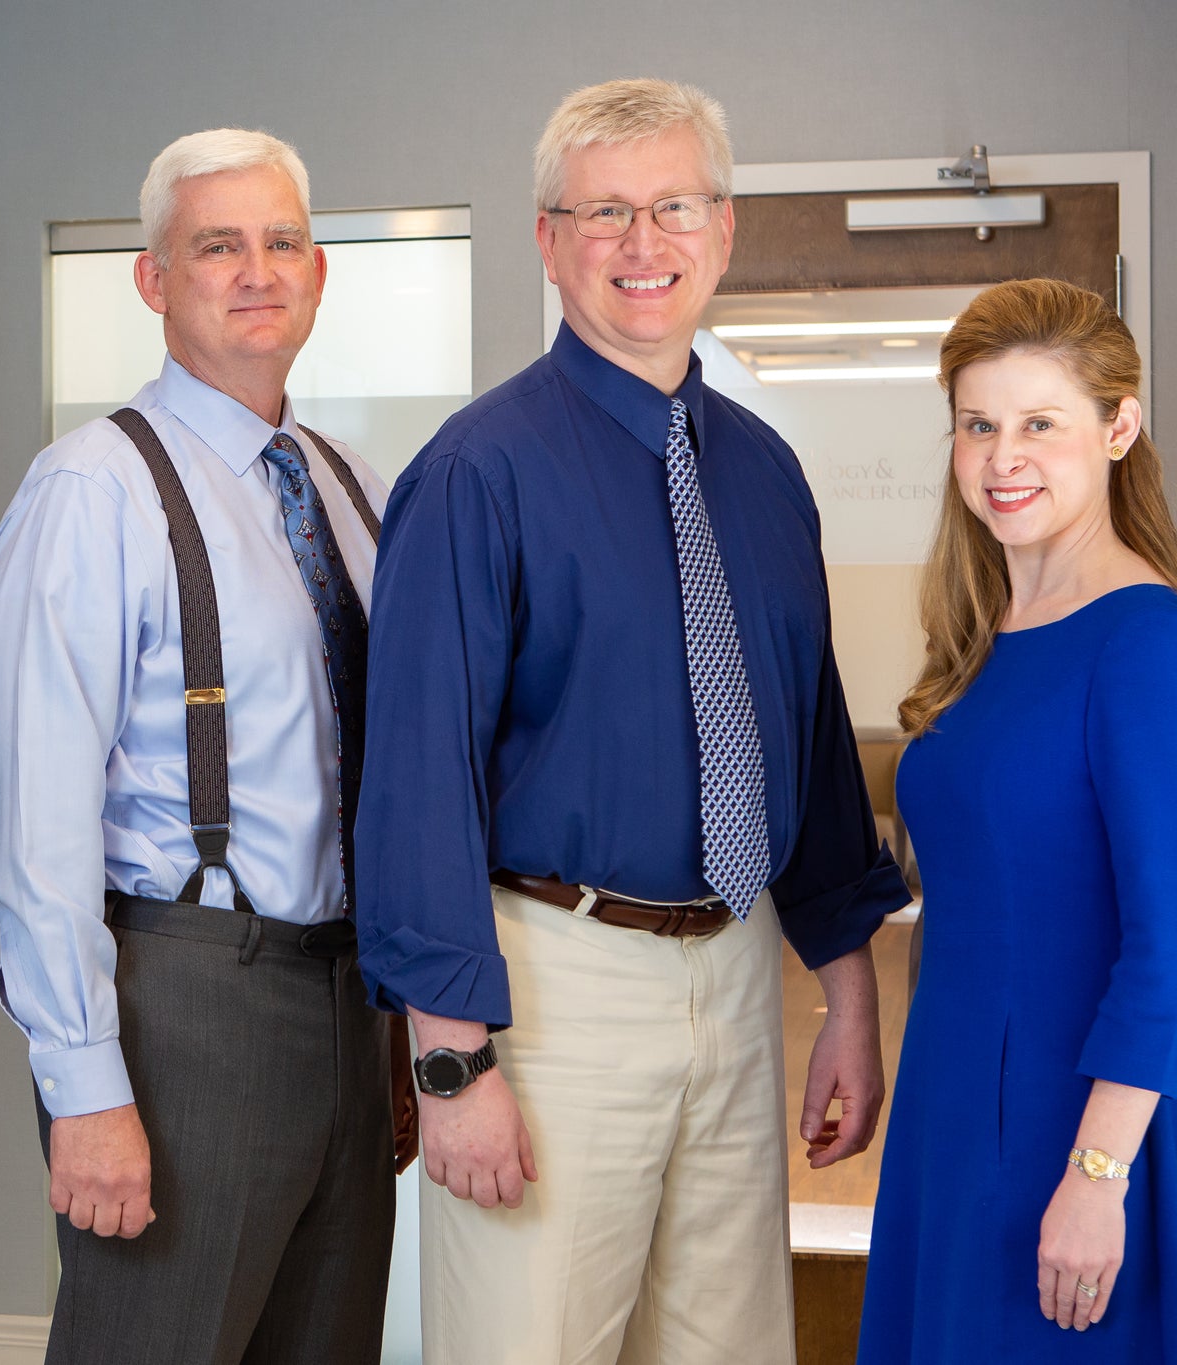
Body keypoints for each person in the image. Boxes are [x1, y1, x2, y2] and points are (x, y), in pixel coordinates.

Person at [355, 78, 908, 1365]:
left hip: (734, 972)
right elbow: (416, 782)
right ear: (549, 242)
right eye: (603, 214)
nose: (641, 246)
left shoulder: (765, 473)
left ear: (721, 229)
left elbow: (809, 746)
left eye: (671, 207)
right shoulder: (474, 474)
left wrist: (847, 997)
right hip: (550, 991)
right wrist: (451, 1065)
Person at [0, 127, 415, 1365]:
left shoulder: (352, 489)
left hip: (341, 1002)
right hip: (176, 1011)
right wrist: (85, 1086)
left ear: (318, 274)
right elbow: (34, 823)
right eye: (216, 244)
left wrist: (388, 1032)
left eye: (281, 242)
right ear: (152, 276)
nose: (255, 270)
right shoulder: (91, 491)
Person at [857, 277, 1177, 1364]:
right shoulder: (986, 635)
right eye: (977, 424)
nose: (1000, 457)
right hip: (954, 1101)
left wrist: (1095, 1177)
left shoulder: (1144, 645)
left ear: (1118, 428)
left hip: (1070, 1130)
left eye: (1037, 424)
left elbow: (1165, 947)